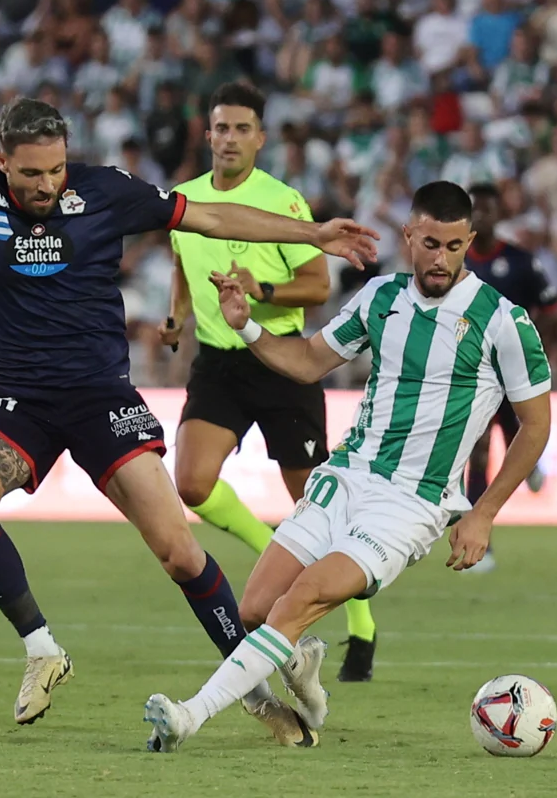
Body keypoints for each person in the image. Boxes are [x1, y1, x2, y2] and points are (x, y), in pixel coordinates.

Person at [0, 98, 377, 739]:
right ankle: (41, 649)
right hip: (18, 398)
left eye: (56, 170)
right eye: (31, 174)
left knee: (178, 552)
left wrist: (311, 233)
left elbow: (210, 217)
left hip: (101, 397)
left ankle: (256, 692)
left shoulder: (107, 191)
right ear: (2, 162)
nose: (46, 185)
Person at [143, 181, 552, 753]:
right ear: (409, 235)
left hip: (412, 501)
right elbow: (309, 361)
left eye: (455, 246)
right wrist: (245, 325)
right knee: (256, 608)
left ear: (471, 242)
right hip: (347, 476)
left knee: (298, 601)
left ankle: (190, 715)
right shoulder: (381, 297)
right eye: (430, 243)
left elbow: (535, 423)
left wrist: (483, 513)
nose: (441, 259)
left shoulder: (502, 319)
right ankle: (308, 687)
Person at [161, 82, 380, 683]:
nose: (229, 138)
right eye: (220, 128)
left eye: (241, 129)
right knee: (193, 483)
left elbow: (318, 287)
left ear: (259, 138)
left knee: (314, 502)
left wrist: (262, 292)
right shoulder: (184, 200)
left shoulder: (282, 203)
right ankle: (269, 553)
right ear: (207, 134)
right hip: (218, 362)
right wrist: (176, 316)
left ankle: (361, 621)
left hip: (281, 359)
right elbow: (183, 265)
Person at [461, 183, 557, 574]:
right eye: (475, 211)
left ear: (499, 215)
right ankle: (479, 546)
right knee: (478, 453)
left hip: (516, 375)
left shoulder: (520, 262)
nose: (481, 217)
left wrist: (536, 357)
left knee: (516, 435)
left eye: (488, 210)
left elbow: (552, 310)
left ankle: (531, 463)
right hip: (475, 376)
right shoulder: (456, 263)